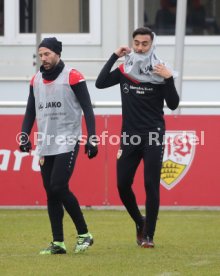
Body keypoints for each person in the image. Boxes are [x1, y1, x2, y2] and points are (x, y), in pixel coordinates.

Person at [95, 27, 179, 248]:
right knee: (122, 185)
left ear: (152, 45)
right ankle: (139, 222)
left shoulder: (161, 70)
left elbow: (173, 104)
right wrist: (114, 56)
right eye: (137, 43)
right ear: (132, 43)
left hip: (153, 135)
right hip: (129, 137)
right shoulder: (125, 70)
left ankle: (149, 235)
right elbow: (100, 83)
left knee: (151, 185)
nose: (140, 47)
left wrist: (169, 79)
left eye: (145, 44)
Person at [19, 37, 98, 254]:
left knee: (58, 186)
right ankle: (58, 242)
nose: (43, 58)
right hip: (46, 142)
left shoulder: (72, 76)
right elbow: (30, 111)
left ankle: (84, 234)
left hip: (68, 140)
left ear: (57, 53)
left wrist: (92, 137)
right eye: (41, 54)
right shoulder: (35, 80)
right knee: (51, 193)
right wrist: (24, 135)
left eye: (47, 54)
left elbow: (88, 108)